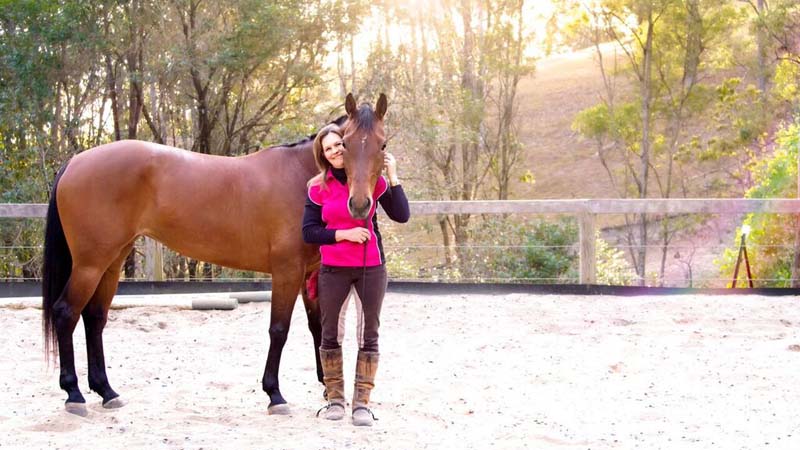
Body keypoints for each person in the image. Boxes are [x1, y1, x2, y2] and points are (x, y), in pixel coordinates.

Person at [302, 123, 410, 426]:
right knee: (330, 334)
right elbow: (309, 232)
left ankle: (362, 404)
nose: (336, 151)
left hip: (370, 268)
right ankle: (335, 400)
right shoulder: (316, 187)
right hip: (333, 269)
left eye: (340, 145)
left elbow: (402, 215)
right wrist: (344, 235)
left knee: (369, 335)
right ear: (322, 155)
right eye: (329, 148)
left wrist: (394, 177)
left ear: (349, 147)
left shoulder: (371, 182)